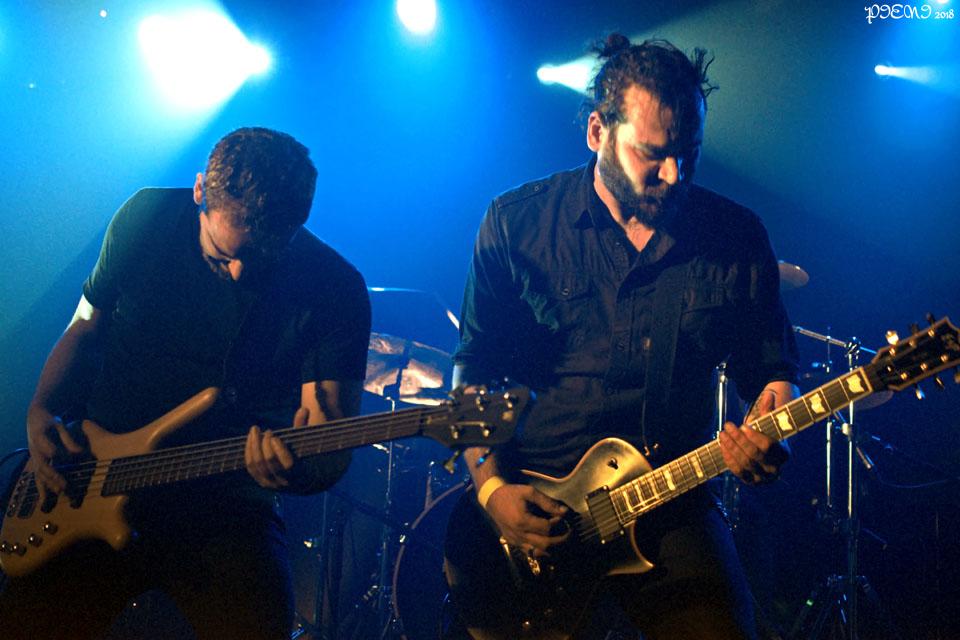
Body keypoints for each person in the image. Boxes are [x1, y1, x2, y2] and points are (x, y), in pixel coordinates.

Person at [448, 35, 800, 640]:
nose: (675, 174)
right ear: (597, 132)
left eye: (689, 154)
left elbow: (771, 368)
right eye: (652, 154)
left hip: (669, 504)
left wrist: (770, 432)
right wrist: (493, 492)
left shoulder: (736, 235)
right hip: (536, 502)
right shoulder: (516, 223)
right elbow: (472, 371)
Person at [0, 127, 371, 639]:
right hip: (92, 477)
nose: (239, 272)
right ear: (200, 191)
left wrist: (298, 471)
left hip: (226, 507)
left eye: (262, 256)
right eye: (223, 254)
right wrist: (40, 409)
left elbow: (329, 439)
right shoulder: (148, 217)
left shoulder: (334, 287)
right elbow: (85, 326)